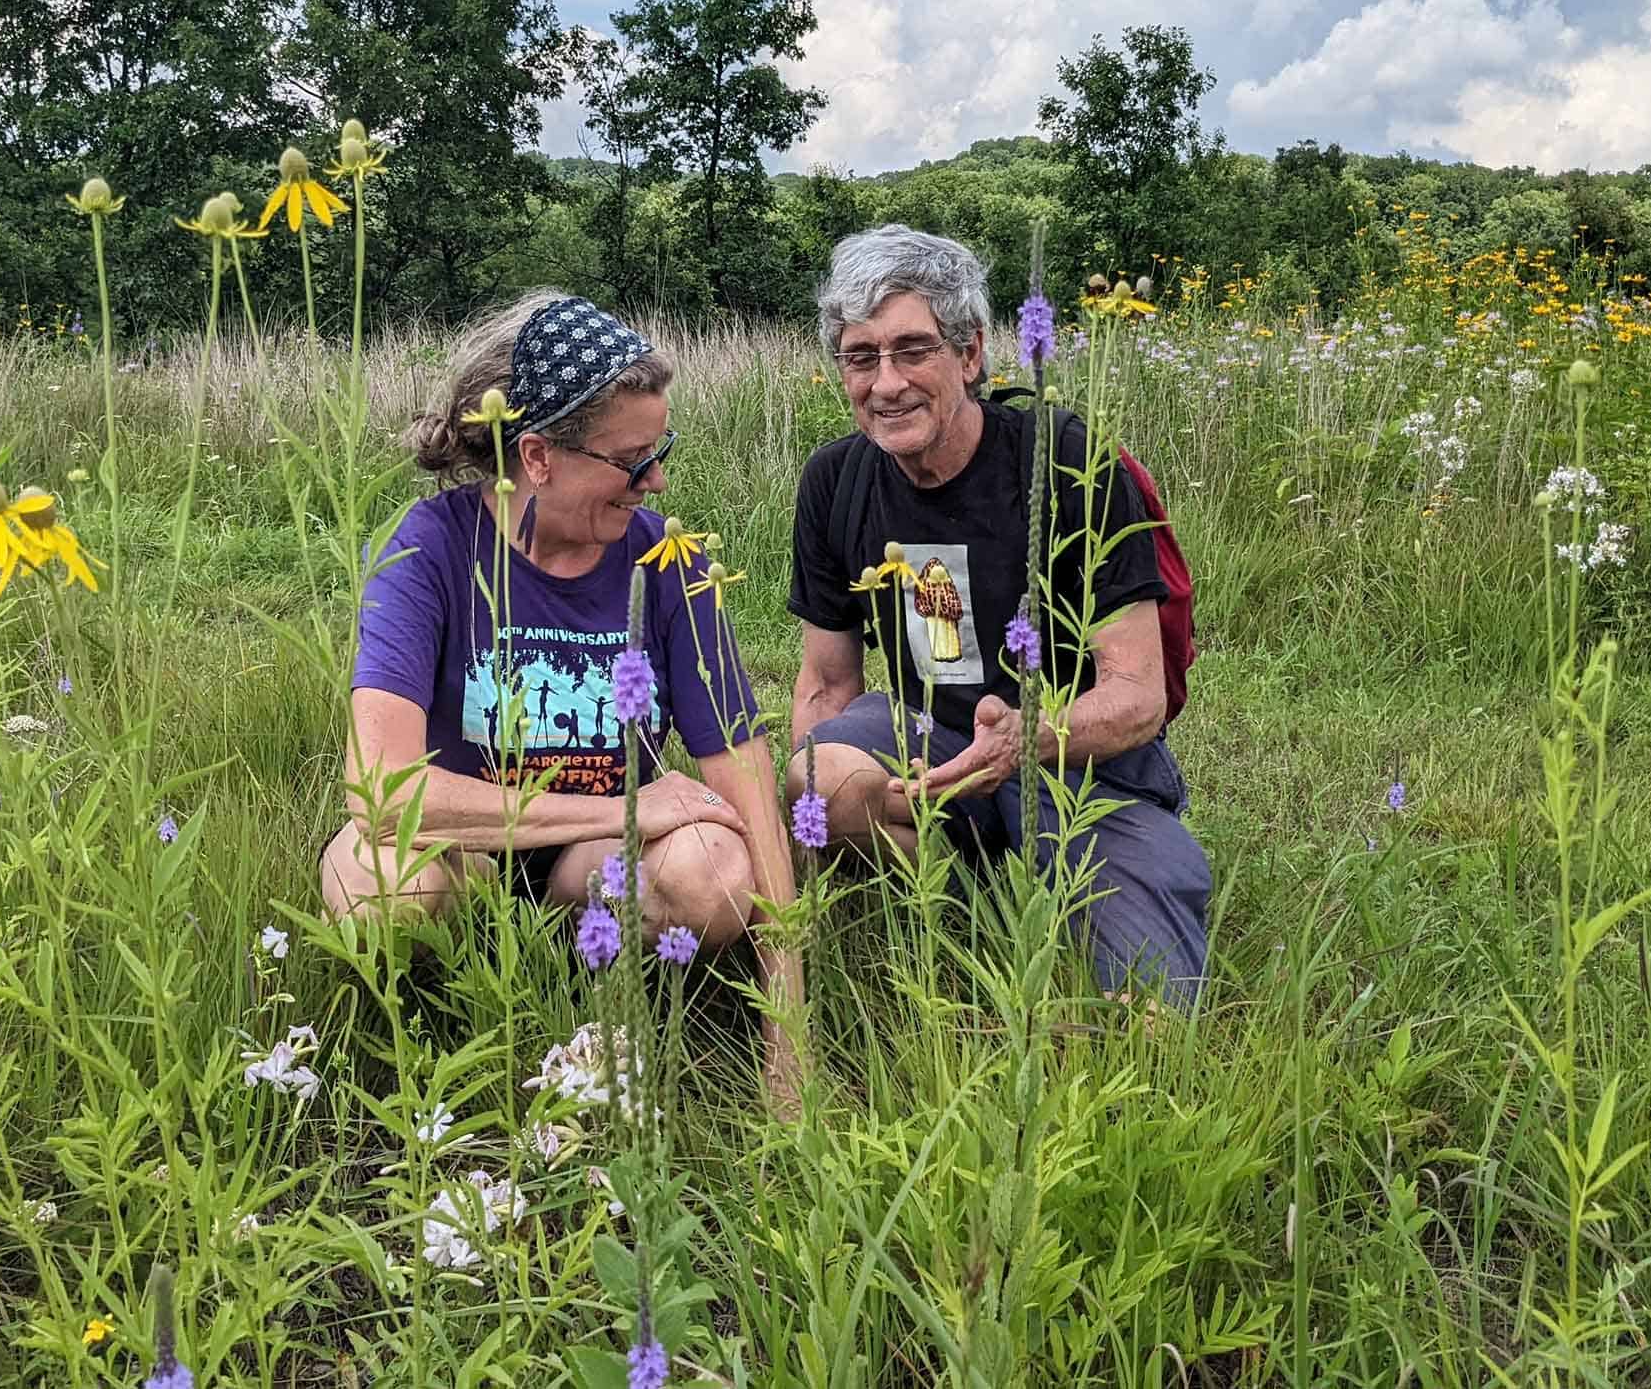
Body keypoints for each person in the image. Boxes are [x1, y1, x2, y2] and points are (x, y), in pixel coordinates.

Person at [325, 289, 804, 1085]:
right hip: (464, 856)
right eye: (630, 460)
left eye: (662, 450)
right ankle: (438, 1034)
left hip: (592, 868)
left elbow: (745, 775)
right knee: (385, 890)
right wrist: (624, 806)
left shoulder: (668, 563)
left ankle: (588, 981)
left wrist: (790, 1031)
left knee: (718, 871)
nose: (653, 482)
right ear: (539, 457)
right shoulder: (431, 549)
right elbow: (377, 793)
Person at [785, 226, 1211, 1003]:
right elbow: (823, 685)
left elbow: (1138, 694)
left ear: (971, 353)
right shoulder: (836, 480)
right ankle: (964, 888)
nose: (886, 384)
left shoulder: (1066, 460)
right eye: (861, 356)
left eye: (914, 350)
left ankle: (1057, 876)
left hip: (1082, 766)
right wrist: (814, 831)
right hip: (932, 744)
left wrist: (1031, 736)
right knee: (820, 775)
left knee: (1151, 1004)